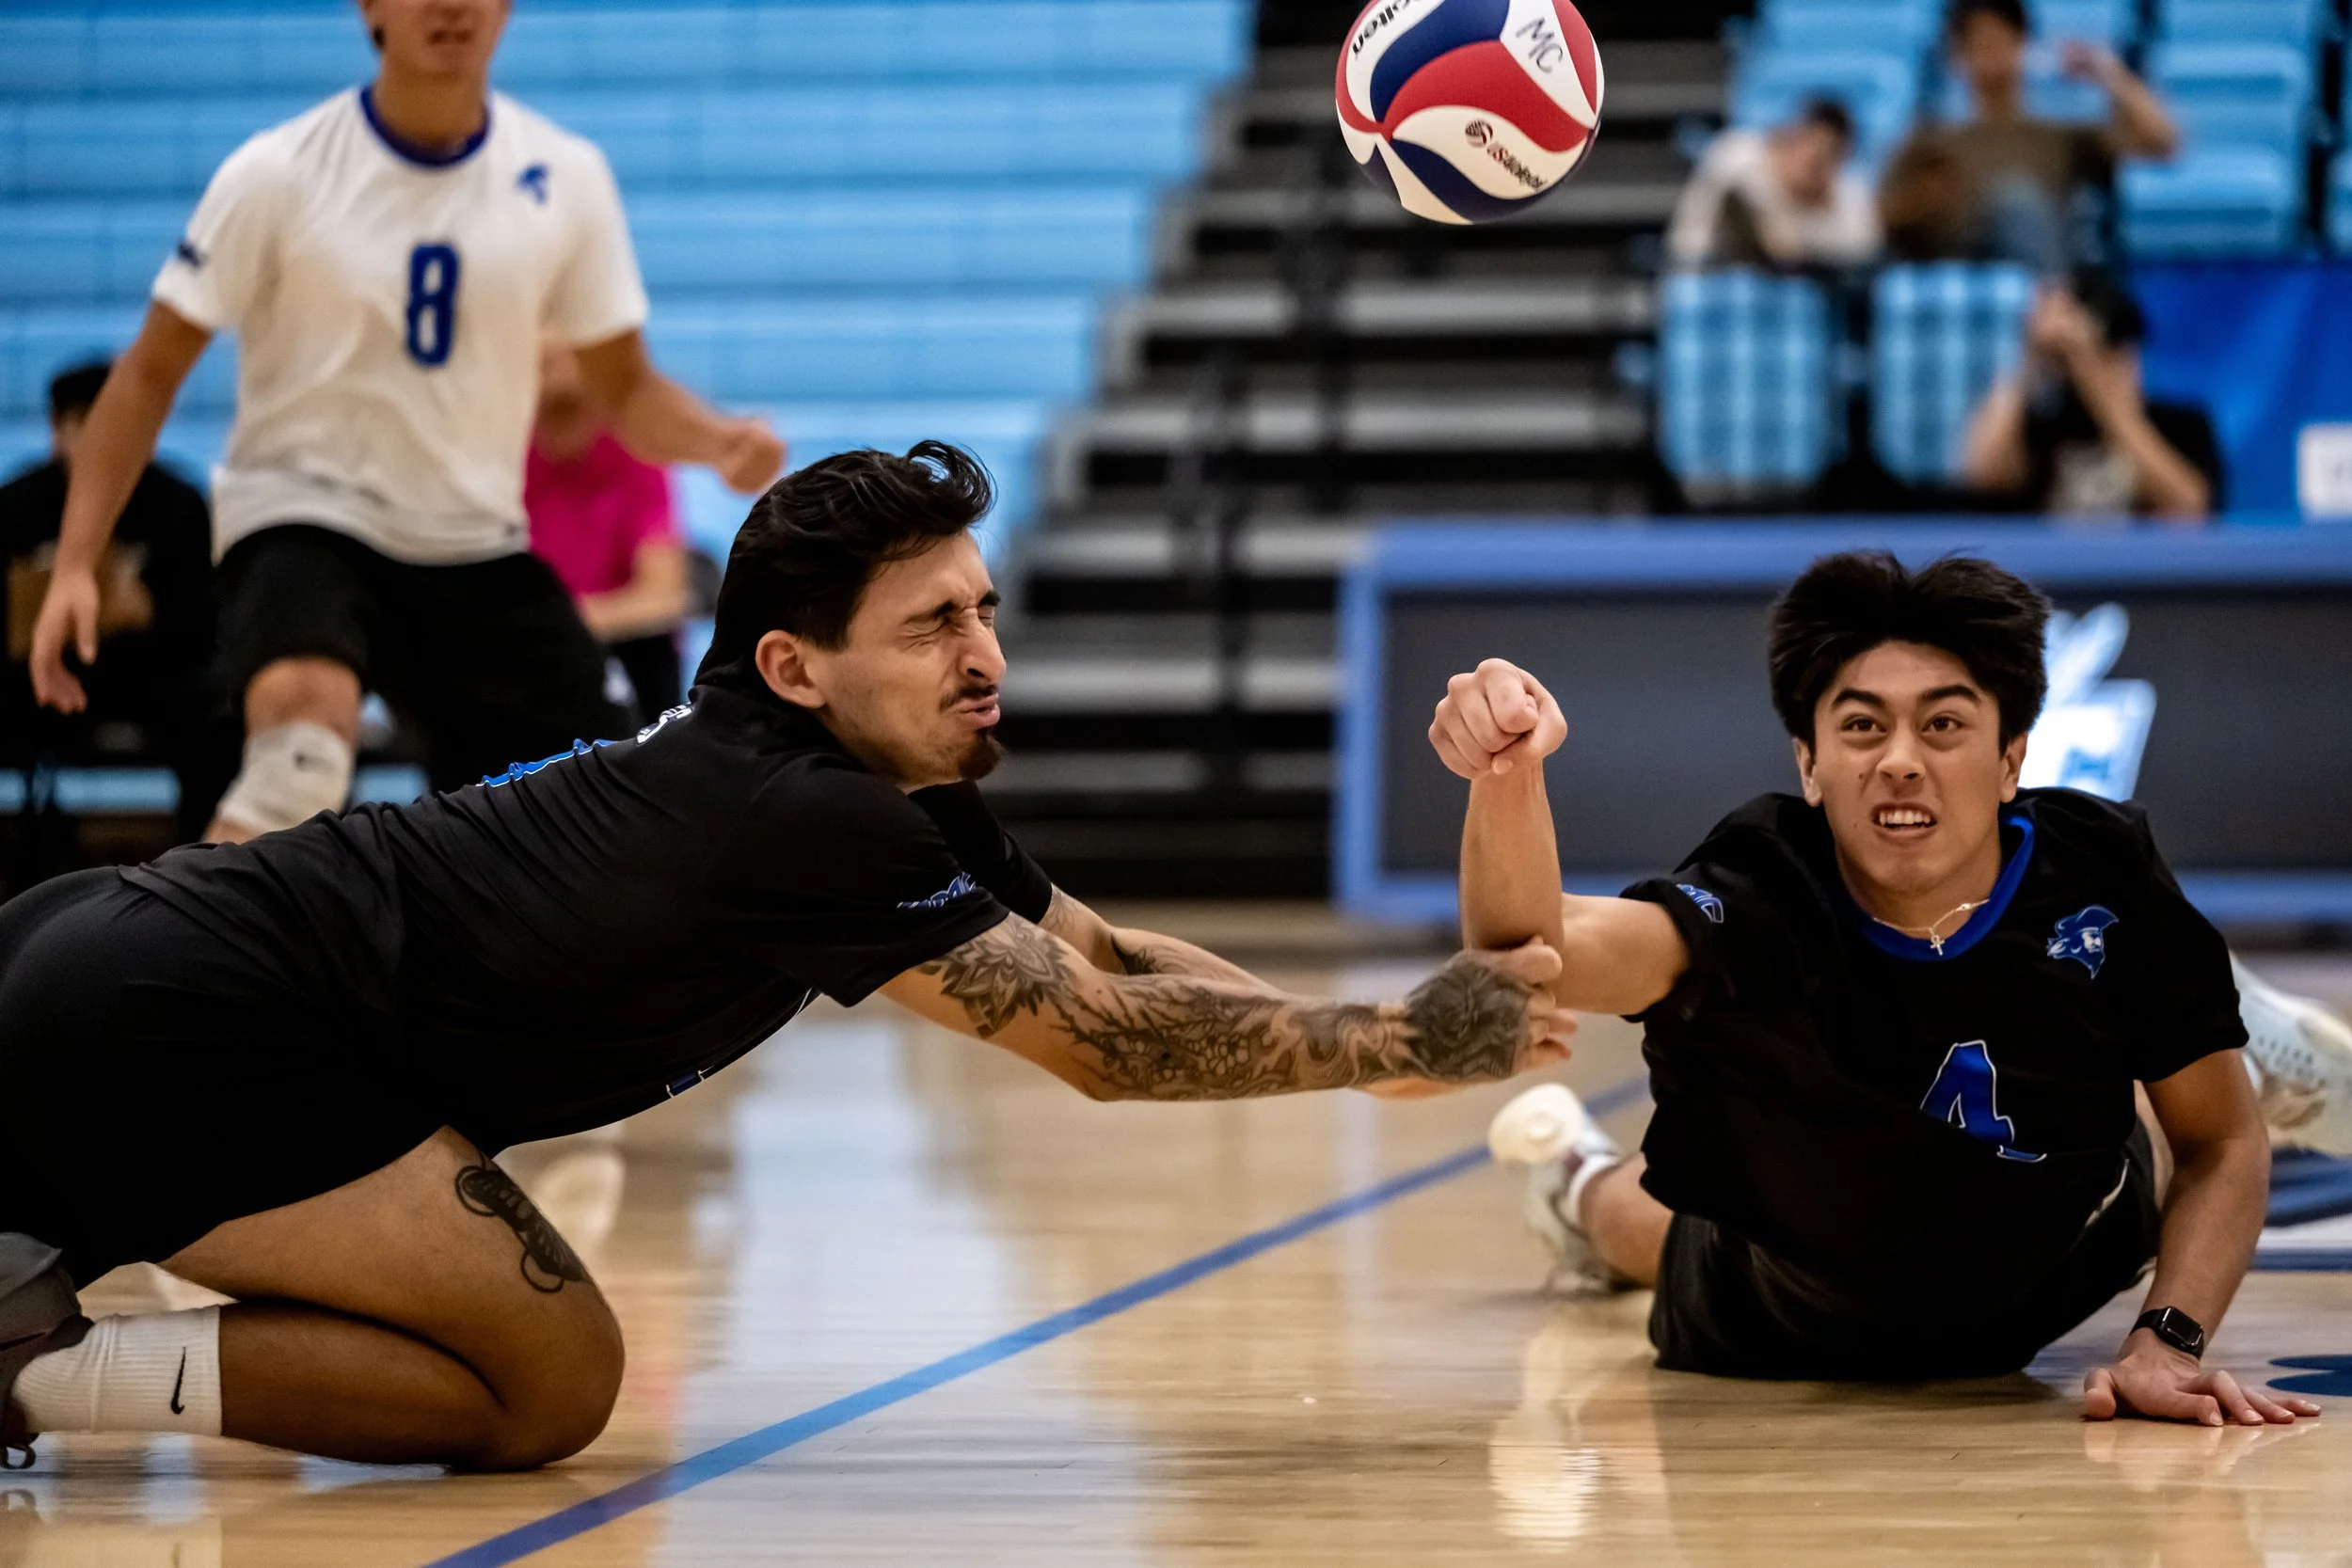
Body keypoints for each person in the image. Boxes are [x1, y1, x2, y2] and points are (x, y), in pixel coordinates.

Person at [0, 441, 1573, 1471]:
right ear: (791, 667)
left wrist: (1377, 1040)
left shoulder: (874, 790)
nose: (985, 658)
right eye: (933, 628)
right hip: (182, 1021)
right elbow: (1097, 1043)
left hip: (118, 963)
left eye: (984, 610)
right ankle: (29, 1370)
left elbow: (1111, 956)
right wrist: (1399, 1038)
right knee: (548, 1380)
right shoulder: (804, 818)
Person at [1434, 551, 2352, 1420]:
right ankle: (1570, 1173)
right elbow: (1527, 952)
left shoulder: (2099, 879)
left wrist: (2169, 1342)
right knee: (1625, 1214)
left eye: (1944, 723)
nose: (1900, 757)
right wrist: (1505, 772)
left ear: (2009, 760)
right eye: (1862, 725)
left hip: (2064, 1243)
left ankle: (2210, 1031)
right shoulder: (1757, 895)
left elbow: (2220, 1143)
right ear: (1809, 763)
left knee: (2168, 1111)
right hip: (1782, 1298)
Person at [24, 0, 785, 846]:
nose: (451, 5)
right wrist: (76, 564)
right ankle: (163, 961)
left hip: (472, 540)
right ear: (371, 8)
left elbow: (626, 388)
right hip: (305, 517)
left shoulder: (564, 175)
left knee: (617, 792)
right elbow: (147, 374)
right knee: (298, 751)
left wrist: (718, 442)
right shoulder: (276, 172)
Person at [0, 362, 227, 847]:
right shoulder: (16, 505)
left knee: (215, 712)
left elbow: (205, 621)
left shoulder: (177, 504)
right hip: (36, 676)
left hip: (145, 673)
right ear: (58, 430)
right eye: (85, 428)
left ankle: (206, 858)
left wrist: (144, 613)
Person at [1886, 0, 2176, 270]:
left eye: (2000, 37)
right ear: (1958, 54)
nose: (1990, 50)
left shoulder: (2058, 136)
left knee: (2019, 206)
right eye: (1978, 40)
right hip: (1961, 286)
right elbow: (1882, 218)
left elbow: (2162, 140)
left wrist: (2108, 73)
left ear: (2022, 44)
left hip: (2042, 286)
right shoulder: (1931, 139)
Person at [1961, 272, 2219, 518]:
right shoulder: (2045, 425)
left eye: (2108, 353)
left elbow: (2189, 505)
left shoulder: (2183, 425)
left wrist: (2095, 380)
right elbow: (1984, 475)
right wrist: (2031, 356)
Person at [526, 338, 691, 721]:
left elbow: (663, 596)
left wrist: (560, 625)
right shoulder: (498, 457)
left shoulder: (636, 451)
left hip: (605, 649)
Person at [1666, 99, 1880, 270]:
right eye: (1808, 150)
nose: (1812, 166)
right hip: (1719, 282)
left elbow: (1863, 250)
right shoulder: (1737, 158)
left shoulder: (1849, 193)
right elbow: (1688, 242)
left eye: (1827, 158)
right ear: (1788, 140)